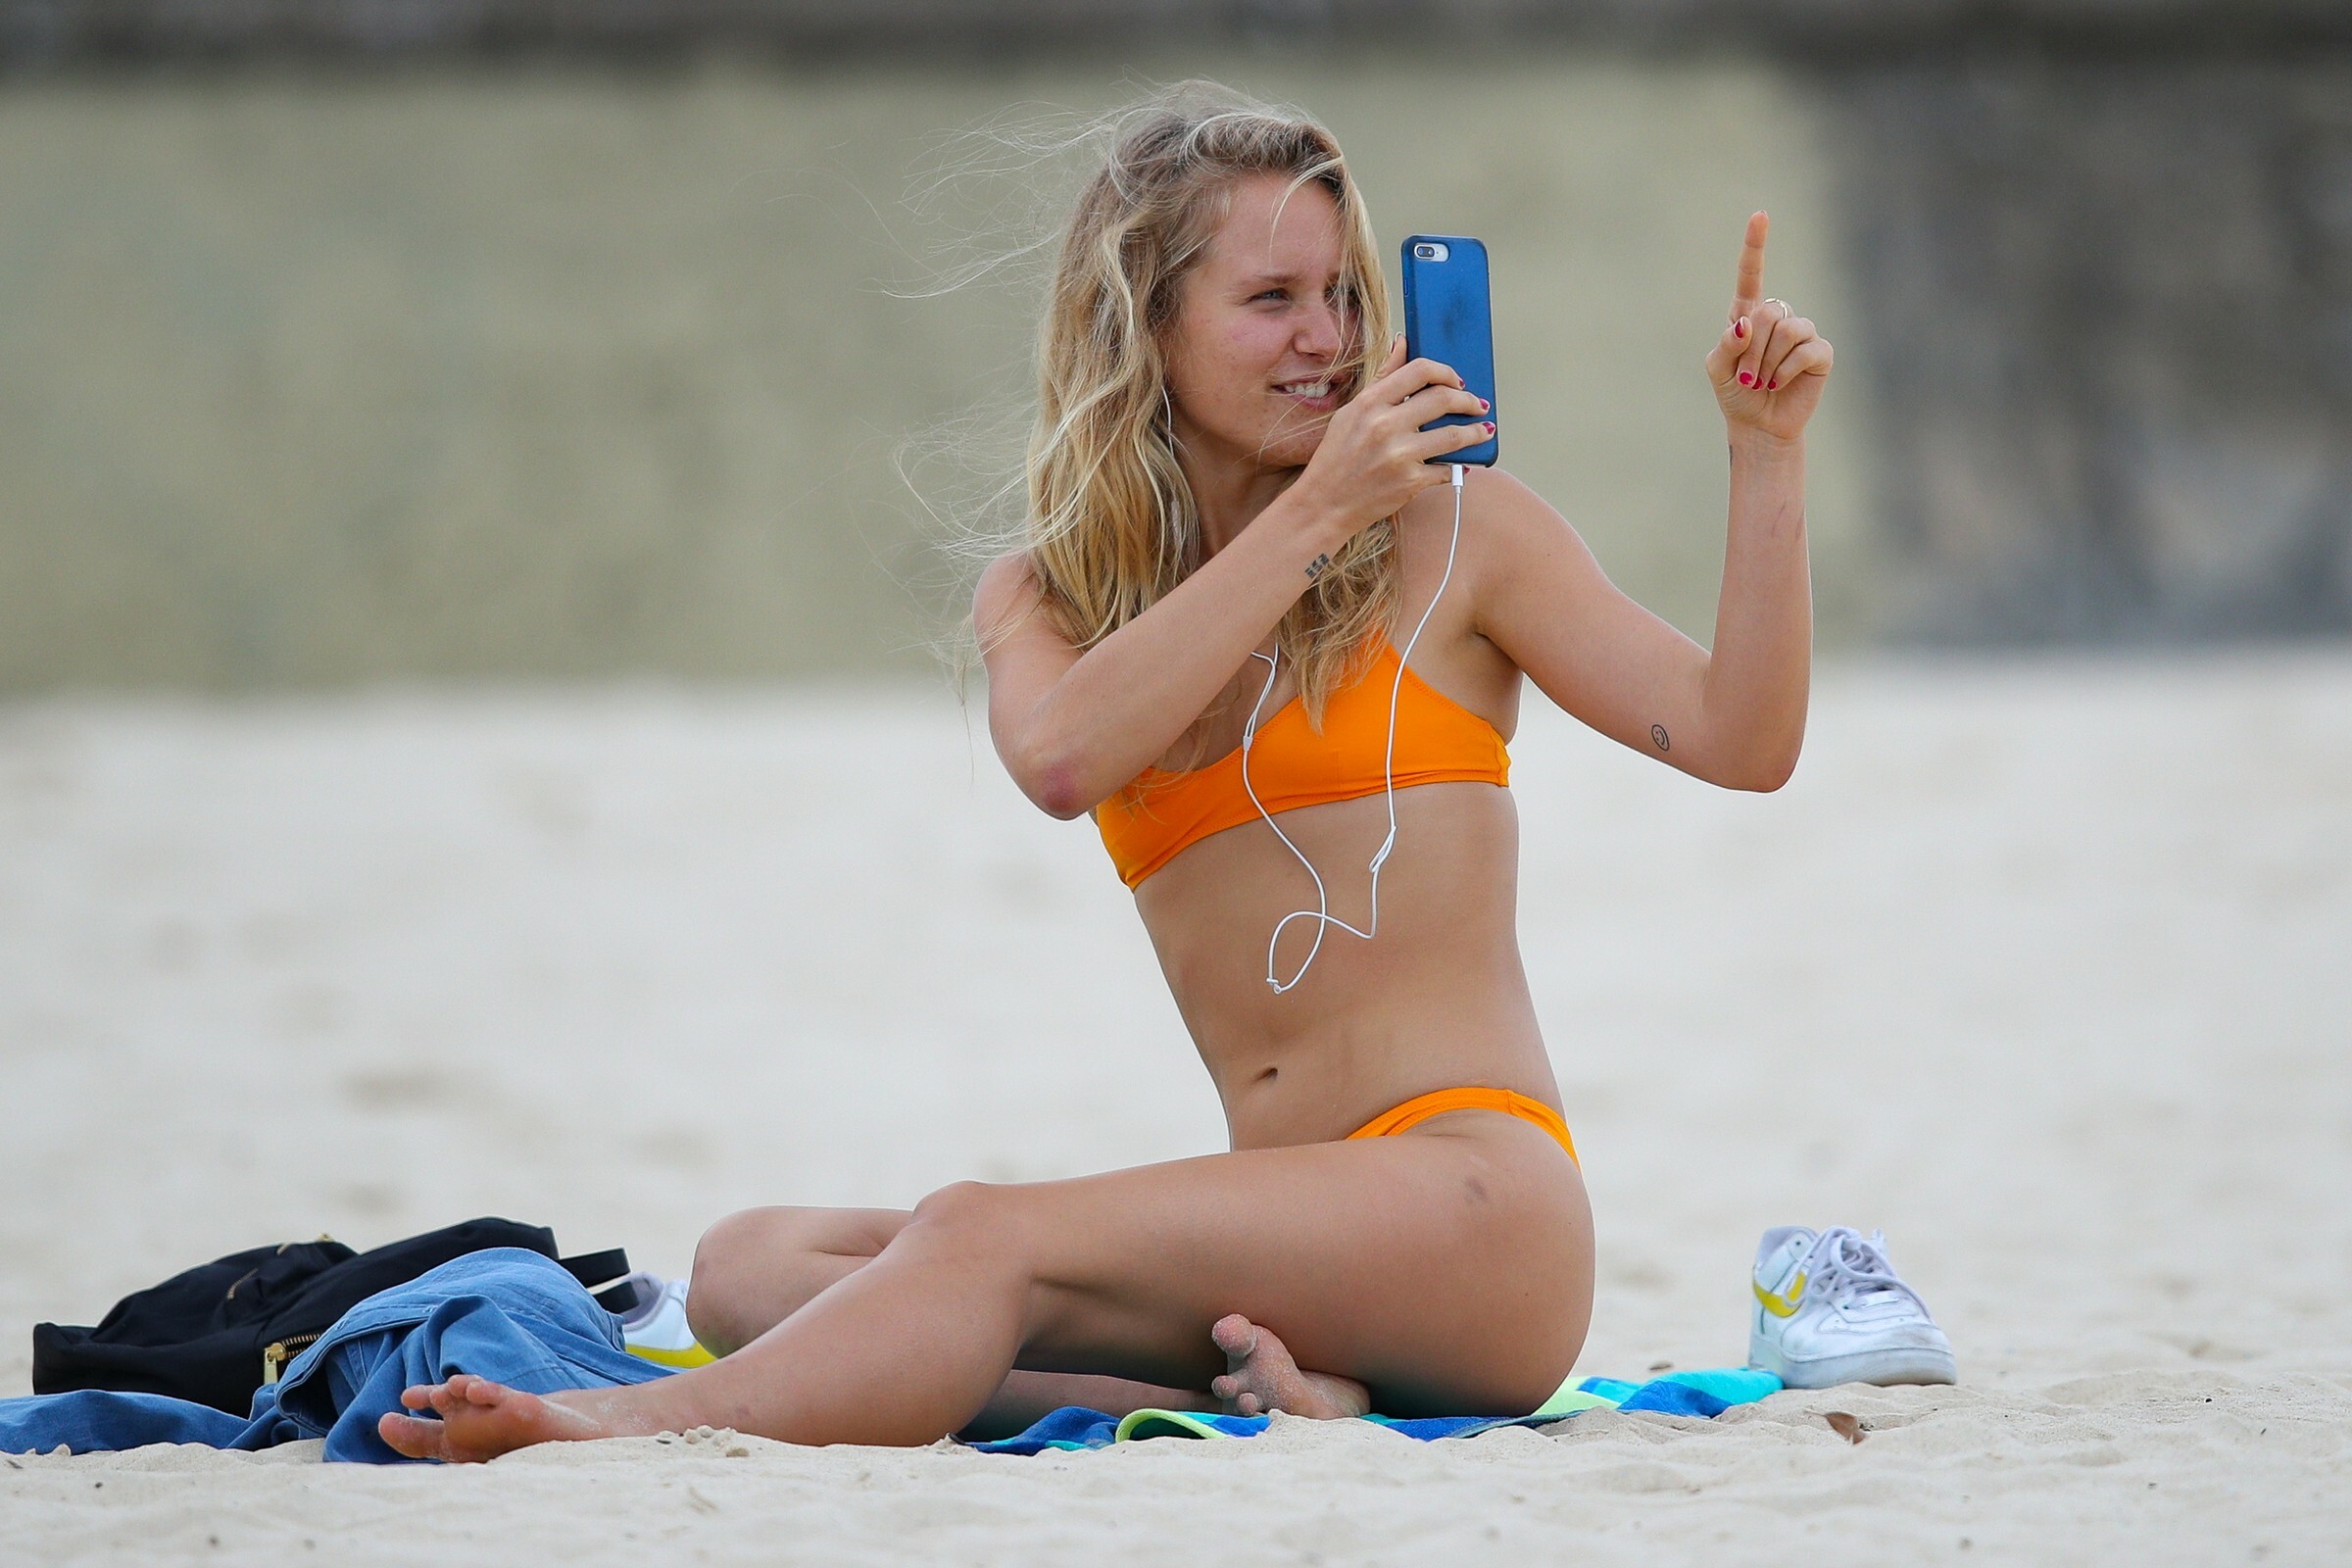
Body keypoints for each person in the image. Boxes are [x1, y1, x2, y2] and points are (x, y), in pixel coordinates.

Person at [378, 81, 1828, 1461]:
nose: (1327, 339)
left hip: (1476, 1205)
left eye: (1342, 294)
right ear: (1148, 323)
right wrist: (1311, 519)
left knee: (979, 1234)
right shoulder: (1049, 596)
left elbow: (1741, 741)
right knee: (748, 1264)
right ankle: (1281, 1392)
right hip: (1282, 1233)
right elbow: (1064, 759)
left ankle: (632, 1427)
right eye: (1271, 299)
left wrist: (1763, 455)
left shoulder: (1461, 535)